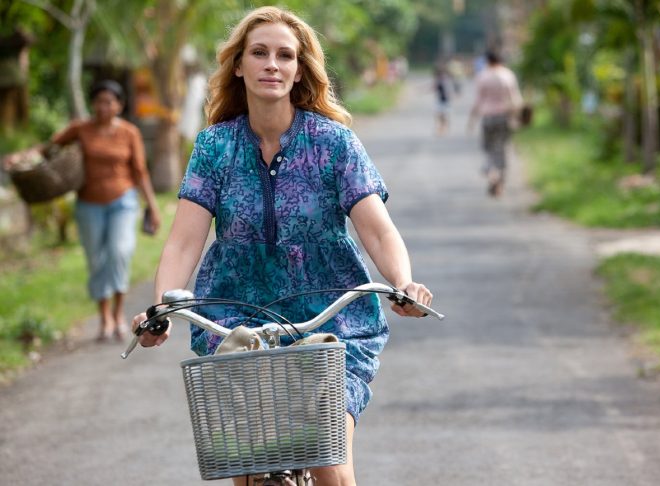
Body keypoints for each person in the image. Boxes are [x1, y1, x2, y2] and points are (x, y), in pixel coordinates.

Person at [132, 6, 432, 486]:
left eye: (285, 55)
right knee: (247, 466)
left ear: (298, 70)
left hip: (331, 317)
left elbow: (376, 228)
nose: (272, 64)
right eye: (259, 53)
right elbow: (184, 240)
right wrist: (161, 306)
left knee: (328, 461)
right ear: (239, 65)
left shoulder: (334, 144)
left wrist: (402, 284)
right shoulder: (215, 147)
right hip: (236, 316)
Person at [51, 80, 161, 341]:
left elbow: (140, 171)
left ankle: (119, 311)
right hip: (88, 204)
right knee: (96, 260)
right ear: (93, 104)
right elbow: (51, 147)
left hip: (122, 201)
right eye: (99, 101)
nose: (104, 106)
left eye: (109, 101)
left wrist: (153, 207)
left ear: (119, 105)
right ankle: (105, 318)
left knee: (119, 252)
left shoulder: (129, 132)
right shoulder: (81, 129)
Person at [468, 50, 523, 197]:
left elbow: (478, 101)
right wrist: (518, 117)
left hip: (487, 118)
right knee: (503, 148)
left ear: (488, 61)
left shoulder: (483, 76)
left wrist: (472, 120)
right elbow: (515, 99)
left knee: (489, 148)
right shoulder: (507, 75)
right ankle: (500, 180)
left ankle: (492, 173)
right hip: (504, 117)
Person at [433, 62, 451, 135]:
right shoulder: (439, 80)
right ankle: (441, 129)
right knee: (439, 116)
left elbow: (448, 90)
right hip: (440, 100)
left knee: (443, 116)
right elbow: (433, 87)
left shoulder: (444, 80)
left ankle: (443, 128)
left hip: (444, 100)